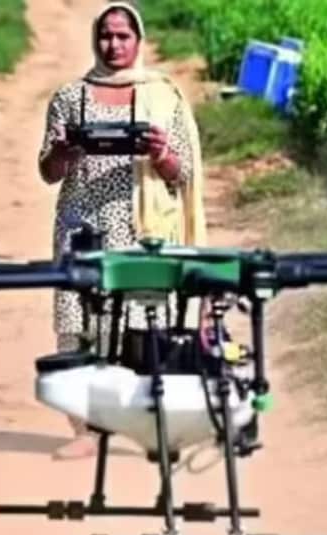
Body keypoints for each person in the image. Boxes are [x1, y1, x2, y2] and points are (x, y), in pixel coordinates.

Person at [37, 1, 207, 460]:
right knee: (78, 325)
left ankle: (153, 428)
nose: (113, 45)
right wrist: (66, 151)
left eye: (122, 36)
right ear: (95, 39)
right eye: (106, 36)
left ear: (138, 40)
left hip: (142, 230)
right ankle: (86, 432)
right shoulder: (70, 97)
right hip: (81, 228)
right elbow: (49, 172)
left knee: (144, 325)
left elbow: (180, 174)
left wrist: (161, 154)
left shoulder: (163, 97)